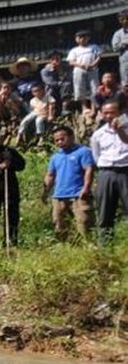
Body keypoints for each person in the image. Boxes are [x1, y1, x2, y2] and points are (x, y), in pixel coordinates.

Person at [44, 125, 95, 242]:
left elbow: (89, 169)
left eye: (63, 138)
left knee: (84, 225)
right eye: (57, 140)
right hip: (59, 196)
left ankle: (89, 250)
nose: (60, 142)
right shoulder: (55, 157)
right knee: (59, 226)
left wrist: (86, 188)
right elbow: (50, 175)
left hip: (79, 195)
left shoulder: (83, 152)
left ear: (71, 137)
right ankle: (65, 249)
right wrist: (45, 192)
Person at [89, 101, 128, 243]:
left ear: (121, 112)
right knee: (105, 210)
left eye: (112, 112)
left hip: (125, 171)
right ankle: (105, 245)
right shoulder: (98, 134)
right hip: (106, 173)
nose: (109, 115)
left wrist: (119, 130)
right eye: (105, 113)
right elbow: (96, 156)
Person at [66, 29, 101, 113]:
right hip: (79, 70)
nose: (82, 39)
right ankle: (84, 107)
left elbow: (99, 57)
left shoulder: (94, 47)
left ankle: (95, 107)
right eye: (79, 37)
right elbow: (71, 61)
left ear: (88, 38)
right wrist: (81, 65)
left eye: (84, 37)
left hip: (92, 69)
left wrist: (93, 64)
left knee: (95, 88)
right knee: (80, 88)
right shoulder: (74, 50)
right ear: (76, 39)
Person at [16, 82, 55, 146]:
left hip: (44, 113)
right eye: (34, 91)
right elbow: (32, 109)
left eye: (38, 90)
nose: (37, 93)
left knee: (38, 121)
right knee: (25, 120)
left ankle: (41, 137)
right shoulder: (32, 100)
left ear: (43, 90)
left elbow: (52, 106)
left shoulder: (48, 97)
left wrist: (51, 115)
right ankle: (19, 134)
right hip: (35, 112)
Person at [113, 8, 128, 89]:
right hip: (125, 62)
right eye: (122, 19)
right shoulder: (118, 34)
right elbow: (115, 47)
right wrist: (124, 43)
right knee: (126, 83)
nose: (125, 21)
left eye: (127, 18)